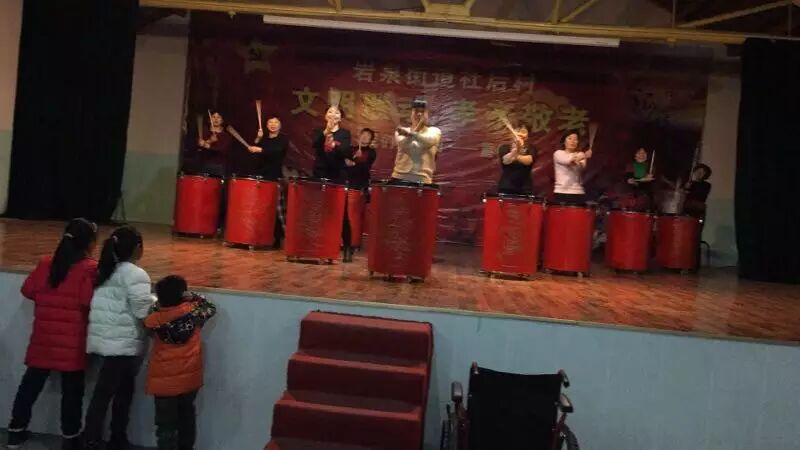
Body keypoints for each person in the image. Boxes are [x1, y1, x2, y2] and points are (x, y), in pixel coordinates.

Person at [6, 218, 98, 450]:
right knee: (72, 394)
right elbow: (87, 300)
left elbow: (28, 290)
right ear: (90, 243)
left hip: (44, 338)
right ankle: (70, 438)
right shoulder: (89, 269)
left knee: (29, 387)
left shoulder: (46, 263)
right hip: (72, 343)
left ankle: (15, 432)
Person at [84, 226, 156, 450]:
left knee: (114, 393)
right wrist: (155, 302)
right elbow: (142, 311)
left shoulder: (104, 270)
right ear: (137, 248)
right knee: (111, 394)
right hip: (122, 344)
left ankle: (110, 438)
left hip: (104, 340)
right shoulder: (136, 274)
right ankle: (95, 439)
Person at [145, 275, 216, 450]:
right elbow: (210, 307)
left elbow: (152, 311)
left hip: (163, 382)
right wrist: (193, 296)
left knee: (165, 427)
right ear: (183, 294)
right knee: (187, 419)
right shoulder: (194, 313)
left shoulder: (153, 319)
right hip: (188, 380)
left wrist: (160, 302)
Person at [249, 115, 290, 249]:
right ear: (266, 125)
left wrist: (261, 149)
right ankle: (260, 236)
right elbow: (253, 150)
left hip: (275, 176)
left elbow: (277, 151)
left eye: (276, 122)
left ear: (280, 125)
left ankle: (278, 238)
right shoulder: (264, 139)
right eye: (270, 122)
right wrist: (258, 139)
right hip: (261, 176)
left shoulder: (283, 139)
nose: (273, 124)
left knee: (276, 209)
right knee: (261, 208)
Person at [342, 128, 377, 262]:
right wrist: (353, 160)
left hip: (360, 187)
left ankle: (353, 243)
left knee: (354, 216)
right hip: (347, 184)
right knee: (346, 216)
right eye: (363, 134)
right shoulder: (351, 149)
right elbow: (344, 164)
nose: (365, 137)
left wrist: (354, 162)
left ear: (371, 139)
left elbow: (364, 168)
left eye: (368, 136)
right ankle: (345, 242)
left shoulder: (371, 152)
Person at [391, 98, 442, 185]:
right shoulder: (402, 131)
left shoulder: (434, 131)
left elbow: (428, 142)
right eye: (416, 111)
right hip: (399, 178)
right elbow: (404, 145)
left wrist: (412, 133)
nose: (419, 114)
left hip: (423, 180)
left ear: (427, 115)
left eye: (422, 112)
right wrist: (413, 132)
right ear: (411, 114)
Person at [311, 105, 351, 182]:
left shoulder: (345, 133)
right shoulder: (318, 131)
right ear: (325, 116)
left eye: (336, 113)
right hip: (320, 172)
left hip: (337, 173)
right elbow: (315, 144)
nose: (333, 115)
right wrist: (327, 130)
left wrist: (333, 144)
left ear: (340, 118)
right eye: (330, 112)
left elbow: (345, 151)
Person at [553, 130, 592, 204]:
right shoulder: (558, 153)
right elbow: (568, 161)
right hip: (561, 192)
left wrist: (581, 157)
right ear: (564, 141)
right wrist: (584, 156)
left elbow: (582, 168)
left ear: (578, 142)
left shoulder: (580, 154)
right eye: (570, 138)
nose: (572, 141)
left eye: (575, 139)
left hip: (578, 192)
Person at [497, 123, 536, 195]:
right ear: (512, 134)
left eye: (523, 132)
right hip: (506, 186)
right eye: (517, 131)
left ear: (527, 135)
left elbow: (529, 160)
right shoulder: (504, 147)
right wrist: (515, 150)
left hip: (525, 187)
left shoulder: (531, 148)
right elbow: (506, 161)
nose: (520, 134)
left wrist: (516, 155)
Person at [196, 110, 233, 178]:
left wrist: (207, 145)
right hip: (203, 163)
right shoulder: (204, 132)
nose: (216, 119)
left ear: (222, 120)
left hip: (219, 165)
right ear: (209, 120)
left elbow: (222, 150)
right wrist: (210, 141)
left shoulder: (226, 136)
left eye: (218, 117)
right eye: (213, 117)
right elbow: (198, 146)